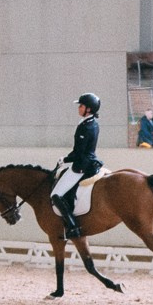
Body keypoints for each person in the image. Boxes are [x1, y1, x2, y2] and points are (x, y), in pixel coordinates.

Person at [51, 93, 102, 240]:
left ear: (88, 109)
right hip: (87, 161)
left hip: (82, 165)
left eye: (81, 106)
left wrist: (65, 159)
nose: (79, 108)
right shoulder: (89, 122)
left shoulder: (87, 127)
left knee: (55, 194)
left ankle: (73, 227)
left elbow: (79, 153)